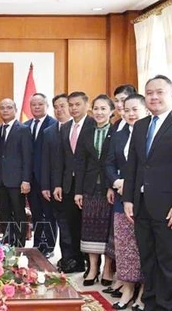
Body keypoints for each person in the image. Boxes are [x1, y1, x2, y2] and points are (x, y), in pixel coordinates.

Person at [123, 75, 172, 311]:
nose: (153, 97)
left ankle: (166, 306)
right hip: (142, 204)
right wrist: (128, 200)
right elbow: (133, 165)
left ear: (171, 95)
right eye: (149, 92)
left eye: (159, 92)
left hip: (170, 207)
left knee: (168, 260)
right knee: (148, 258)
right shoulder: (141, 125)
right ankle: (150, 303)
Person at [106, 94, 148, 310]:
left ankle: (142, 293)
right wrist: (116, 181)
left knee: (142, 247)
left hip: (145, 198)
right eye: (126, 110)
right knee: (124, 246)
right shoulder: (119, 134)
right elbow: (109, 163)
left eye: (135, 110)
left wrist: (130, 182)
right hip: (122, 197)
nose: (130, 114)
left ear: (146, 110)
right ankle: (128, 289)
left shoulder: (151, 134)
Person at [74, 94, 115, 287]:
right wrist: (78, 191)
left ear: (111, 111)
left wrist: (111, 185)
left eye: (103, 109)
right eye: (96, 108)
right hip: (89, 187)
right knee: (89, 227)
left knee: (107, 229)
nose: (99, 112)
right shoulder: (87, 131)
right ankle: (92, 268)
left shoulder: (116, 132)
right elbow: (80, 163)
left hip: (109, 188)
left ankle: (107, 268)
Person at [53, 91, 95, 273]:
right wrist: (57, 184)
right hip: (67, 185)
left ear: (87, 105)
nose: (73, 108)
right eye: (71, 105)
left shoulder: (94, 125)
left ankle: (91, 265)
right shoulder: (65, 127)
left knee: (88, 226)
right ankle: (74, 261)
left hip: (88, 185)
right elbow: (60, 160)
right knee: (70, 224)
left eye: (77, 104)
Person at [24, 93, 57, 257]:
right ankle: (38, 245)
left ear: (46, 106)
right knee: (36, 214)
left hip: (48, 179)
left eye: (40, 104)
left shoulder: (54, 125)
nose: (36, 107)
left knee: (49, 215)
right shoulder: (26, 125)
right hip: (30, 179)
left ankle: (49, 246)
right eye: (33, 104)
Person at [0, 98, 32, 247]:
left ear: (15, 110)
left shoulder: (23, 129)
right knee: (4, 213)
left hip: (17, 181)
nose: (5, 110)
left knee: (18, 213)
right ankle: (7, 240)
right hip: (0, 180)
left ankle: (19, 244)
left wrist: (26, 180)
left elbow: (27, 157)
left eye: (9, 107)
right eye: (2, 107)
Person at [41, 93, 71, 267]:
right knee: (60, 221)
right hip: (53, 185)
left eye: (63, 106)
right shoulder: (49, 131)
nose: (59, 110)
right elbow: (45, 160)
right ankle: (65, 257)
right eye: (56, 106)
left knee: (71, 223)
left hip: (72, 185)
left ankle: (74, 257)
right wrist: (45, 185)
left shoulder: (78, 128)